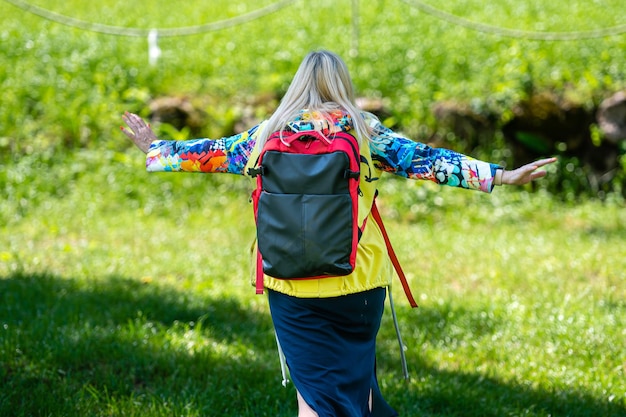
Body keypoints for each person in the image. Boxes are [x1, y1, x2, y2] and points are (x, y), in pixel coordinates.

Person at [121, 50, 556, 417]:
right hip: (358, 282)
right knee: (357, 392)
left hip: (289, 283)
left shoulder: (267, 132)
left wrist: (157, 149)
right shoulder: (363, 130)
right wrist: (500, 176)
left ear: (297, 85)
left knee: (313, 400)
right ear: (341, 84)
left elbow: (208, 154)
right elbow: (427, 159)